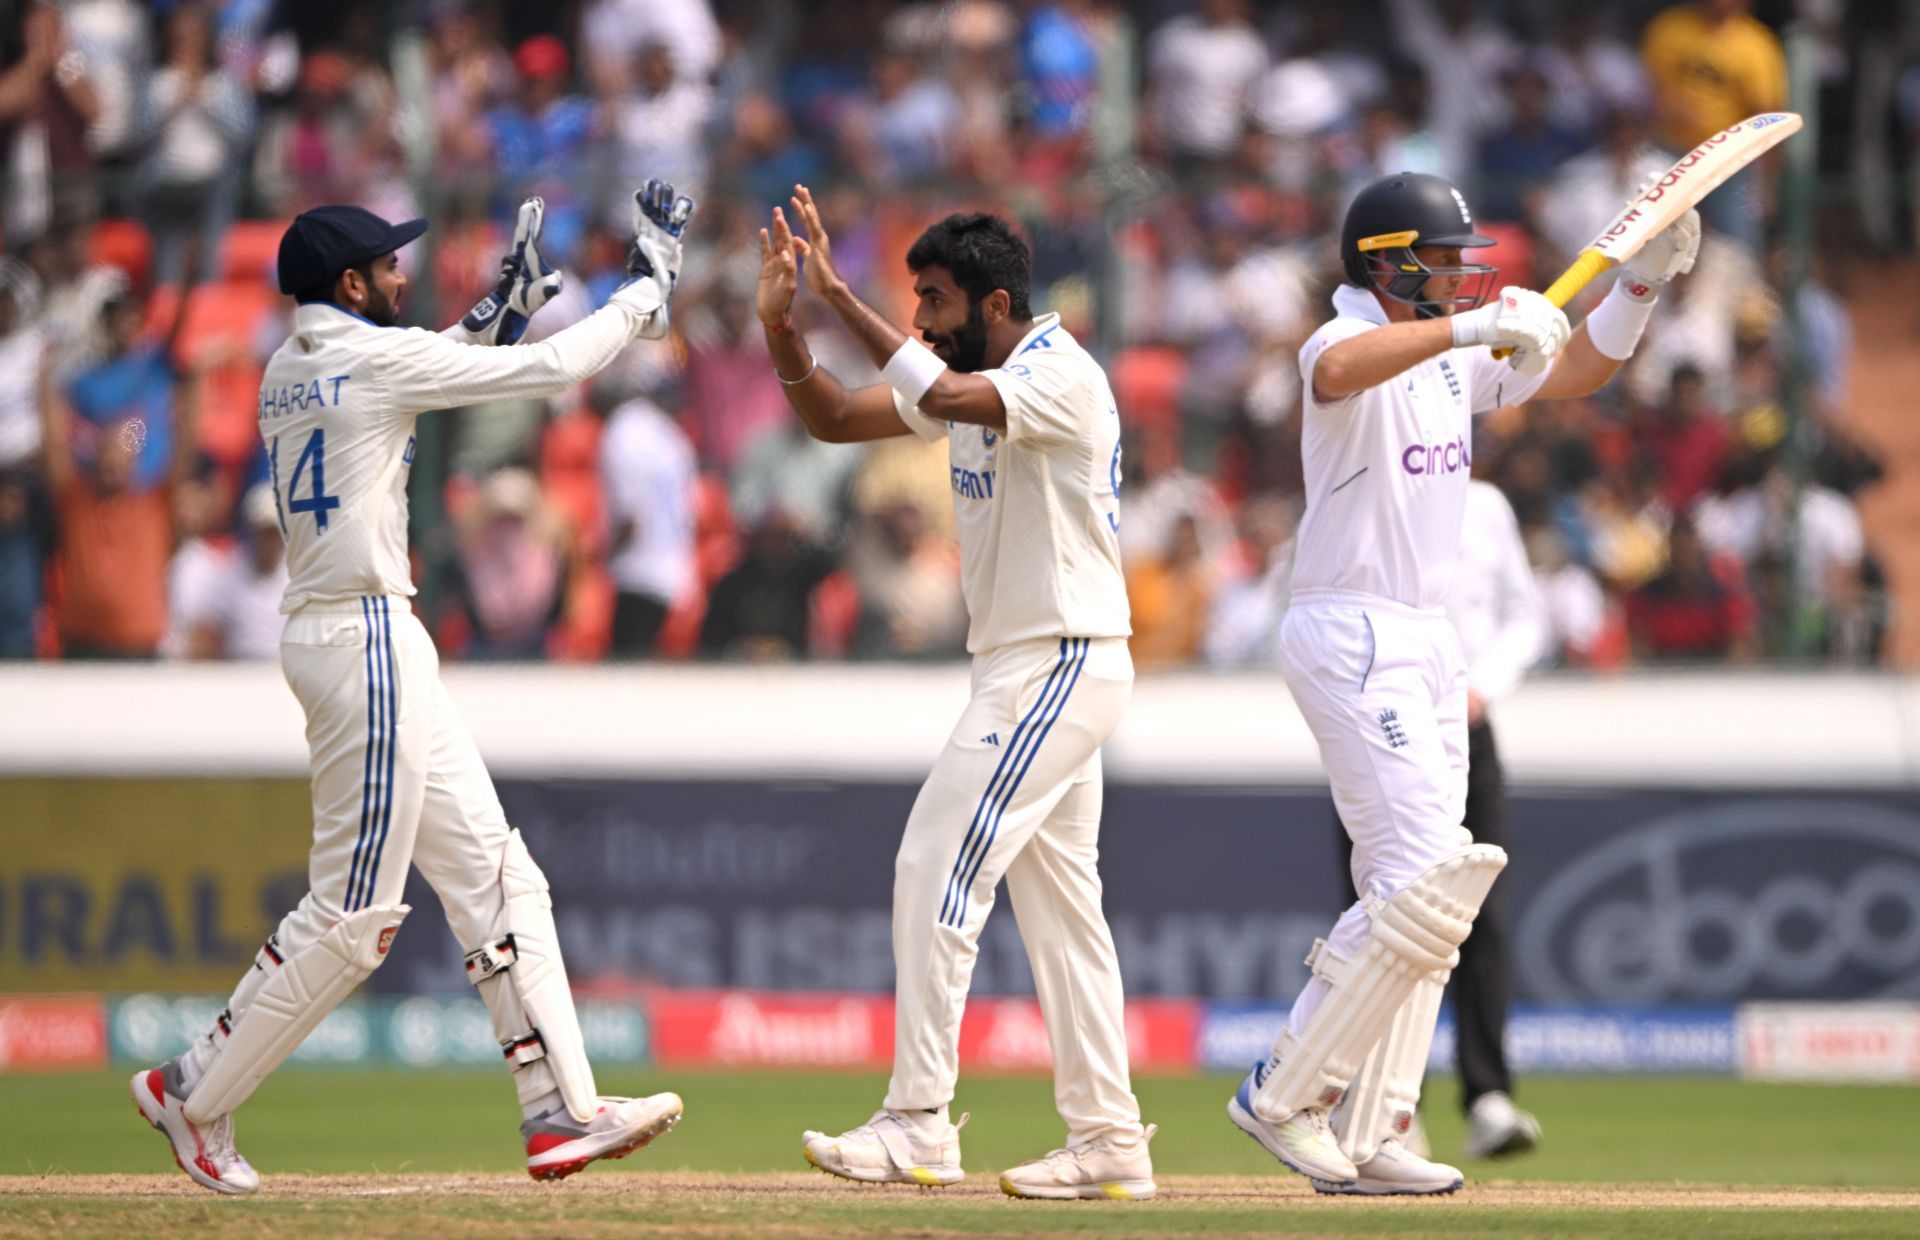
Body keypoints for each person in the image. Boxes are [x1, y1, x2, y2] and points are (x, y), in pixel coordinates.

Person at [130, 183, 697, 1195]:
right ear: (351, 283)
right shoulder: (365, 357)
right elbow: (544, 370)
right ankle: (193, 1091)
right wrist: (642, 293)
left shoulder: (291, 364)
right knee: (355, 917)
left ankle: (559, 1108)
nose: (403, 274)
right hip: (364, 636)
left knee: (496, 875)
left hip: (358, 634)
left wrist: (499, 305)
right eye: (388, 265)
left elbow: (422, 365)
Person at [1228, 170, 1699, 1195]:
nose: (1456, 276)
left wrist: (1639, 291)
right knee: (1411, 876)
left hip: (1427, 638)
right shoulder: (1342, 337)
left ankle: (1377, 1123)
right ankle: (1279, 1088)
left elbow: (1571, 373)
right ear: (1384, 262)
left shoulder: (1450, 351)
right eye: (1440, 262)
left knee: (1442, 888)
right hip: (1350, 625)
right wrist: (1471, 329)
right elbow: (1343, 368)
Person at [758, 193, 1155, 1200]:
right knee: (1066, 915)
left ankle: (919, 1122)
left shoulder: (1058, 374)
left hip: (1059, 661)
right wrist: (780, 326)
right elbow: (835, 416)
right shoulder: (972, 375)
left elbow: (931, 395)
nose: (925, 319)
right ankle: (1110, 1138)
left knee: (936, 866)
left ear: (998, 300)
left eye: (934, 300)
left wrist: (840, 296)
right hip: (1031, 666)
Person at [1331, 478, 1547, 1160]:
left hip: (1468, 725)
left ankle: (1487, 1096)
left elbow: (1526, 615)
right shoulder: (1358, 482)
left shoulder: (1487, 503)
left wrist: (1482, 687)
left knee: (1478, 912)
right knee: (1383, 912)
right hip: (1382, 726)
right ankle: (1390, 1105)